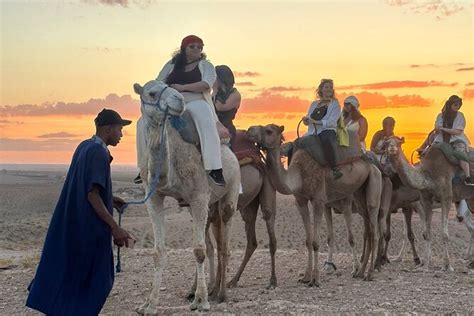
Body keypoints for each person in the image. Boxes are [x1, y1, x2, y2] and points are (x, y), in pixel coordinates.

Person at [26, 109, 133, 315]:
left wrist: (110, 199)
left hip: (73, 226)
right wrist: (115, 228)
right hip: (89, 230)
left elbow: (84, 185)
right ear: (107, 128)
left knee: (69, 273)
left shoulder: (84, 146)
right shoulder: (98, 153)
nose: (121, 135)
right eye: (120, 129)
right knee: (99, 280)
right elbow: (91, 195)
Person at [155, 34, 225, 186]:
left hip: (196, 100)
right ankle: (145, 166)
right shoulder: (171, 64)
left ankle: (215, 168)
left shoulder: (206, 65)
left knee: (206, 121)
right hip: (172, 101)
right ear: (183, 48)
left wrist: (182, 87)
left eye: (200, 47)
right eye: (192, 46)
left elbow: (205, 84)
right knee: (145, 122)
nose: (196, 49)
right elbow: (158, 82)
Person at [303, 79, 343, 179]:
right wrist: (306, 120)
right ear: (321, 89)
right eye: (326, 87)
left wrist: (316, 122)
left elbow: (332, 122)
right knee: (298, 143)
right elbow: (309, 119)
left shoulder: (335, 104)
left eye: (330, 87)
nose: (329, 89)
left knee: (326, 140)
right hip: (312, 132)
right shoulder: (314, 104)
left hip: (327, 131)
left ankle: (334, 169)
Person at [431, 95, 473, 186]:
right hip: (441, 139)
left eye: (459, 105)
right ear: (450, 104)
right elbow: (437, 128)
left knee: (460, 153)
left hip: (456, 139)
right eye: (455, 104)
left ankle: (468, 177)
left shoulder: (460, 116)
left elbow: (457, 131)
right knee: (428, 152)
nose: (457, 107)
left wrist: (443, 129)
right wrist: (439, 129)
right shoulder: (440, 116)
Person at [213, 65, 241, 149]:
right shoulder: (215, 94)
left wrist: (214, 90)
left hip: (226, 130)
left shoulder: (235, 94)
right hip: (213, 128)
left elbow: (219, 107)